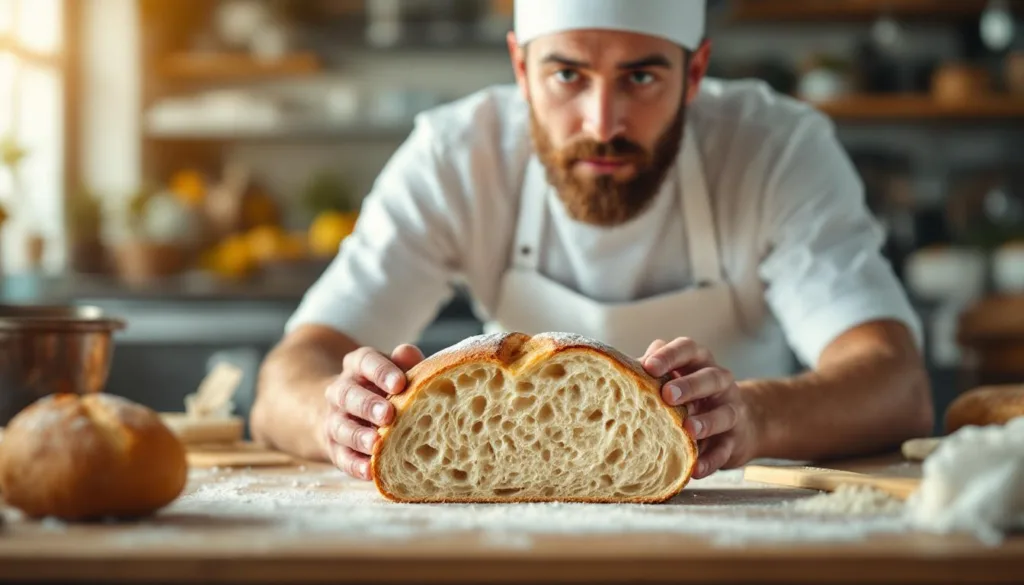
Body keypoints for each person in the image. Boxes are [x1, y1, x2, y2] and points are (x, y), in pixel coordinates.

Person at [250, 0, 934, 482]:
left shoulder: (776, 151)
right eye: (567, 75)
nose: (603, 122)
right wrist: (336, 416)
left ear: (695, 73)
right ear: (521, 69)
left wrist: (749, 416)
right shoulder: (455, 156)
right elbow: (286, 376)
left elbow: (895, 381)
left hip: (736, 513)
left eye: (641, 76)